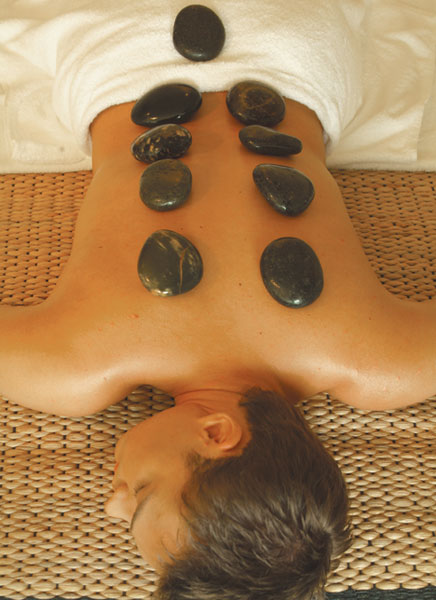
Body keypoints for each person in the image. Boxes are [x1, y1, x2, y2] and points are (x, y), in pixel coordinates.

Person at [0, 1, 435, 598]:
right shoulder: (76, 367)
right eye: (140, 498)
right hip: (129, 57)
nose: (110, 504)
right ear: (217, 434)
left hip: (293, 53)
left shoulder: (380, 362)